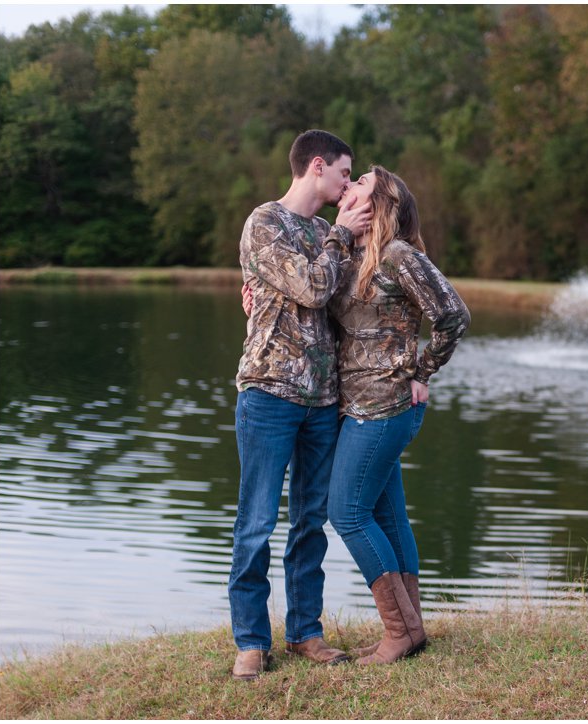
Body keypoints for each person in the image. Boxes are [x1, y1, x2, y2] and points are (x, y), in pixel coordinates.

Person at [229, 129, 371, 681]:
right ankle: (250, 641)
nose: (346, 184)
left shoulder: (323, 230)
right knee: (257, 522)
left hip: (324, 400)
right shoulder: (265, 223)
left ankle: (306, 633)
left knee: (311, 522)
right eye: (343, 173)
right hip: (268, 393)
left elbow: (344, 299)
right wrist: (338, 237)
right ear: (317, 165)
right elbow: (313, 288)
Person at [326, 165, 470, 664]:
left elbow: (453, 314)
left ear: (380, 204)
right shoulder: (353, 254)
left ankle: (399, 633)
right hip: (357, 406)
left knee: (345, 512)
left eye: (360, 183)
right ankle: (412, 629)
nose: (349, 188)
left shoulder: (398, 255)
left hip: (385, 407)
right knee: (386, 515)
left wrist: (423, 371)